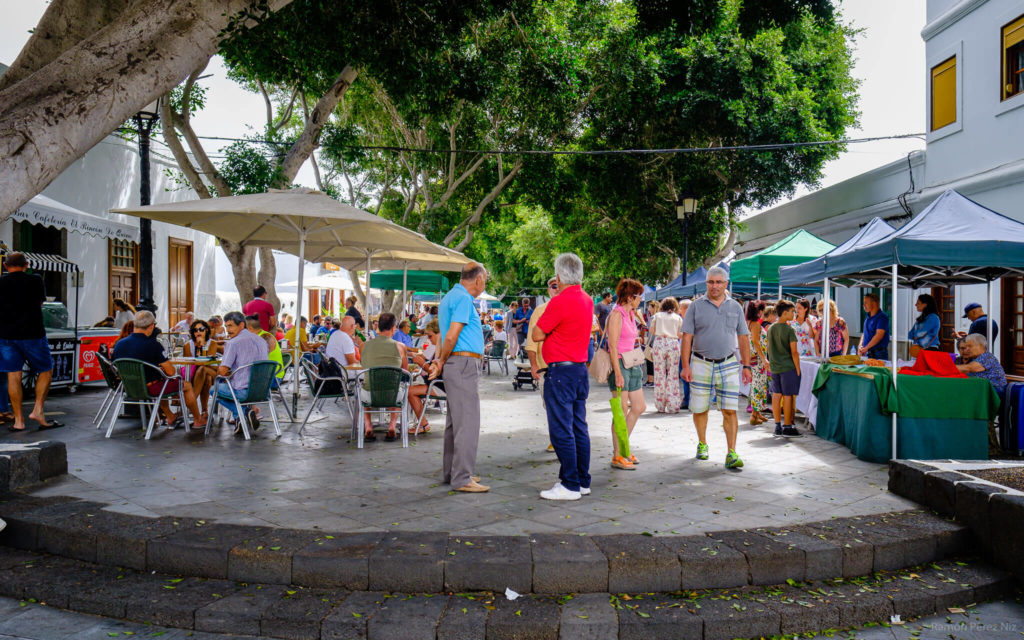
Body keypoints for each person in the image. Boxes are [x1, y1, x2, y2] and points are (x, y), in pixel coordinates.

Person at [531, 253, 594, 501]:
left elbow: (537, 334)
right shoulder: (587, 300)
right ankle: (581, 480)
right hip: (579, 369)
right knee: (579, 426)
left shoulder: (559, 302)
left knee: (561, 429)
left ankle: (569, 483)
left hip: (560, 372)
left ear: (558, 277)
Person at [680, 266, 753, 469]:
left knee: (730, 410)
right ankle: (702, 443)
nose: (714, 286)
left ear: (725, 284)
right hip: (701, 362)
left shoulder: (736, 307)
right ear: (707, 284)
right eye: (711, 282)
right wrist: (685, 365)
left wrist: (746, 365)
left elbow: (743, 337)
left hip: (729, 363)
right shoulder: (695, 306)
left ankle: (731, 452)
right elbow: (687, 337)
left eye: (719, 282)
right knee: (700, 407)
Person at [429, 262, 489, 493]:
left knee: (455, 423)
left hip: (456, 363)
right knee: (467, 422)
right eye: (485, 279)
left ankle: (452, 472)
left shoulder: (449, 298)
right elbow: (452, 335)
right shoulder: (463, 299)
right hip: (463, 363)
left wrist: (440, 360)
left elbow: (444, 336)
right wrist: (441, 360)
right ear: (478, 279)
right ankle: (462, 477)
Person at [112, 310, 206, 430]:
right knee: (185, 385)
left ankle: (170, 416)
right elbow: (171, 372)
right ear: (152, 326)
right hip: (150, 387)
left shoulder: (120, 344)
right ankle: (198, 419)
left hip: (127, 387)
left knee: (161, 379)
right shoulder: (153, 345)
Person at [0, 252, 62, 432]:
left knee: (13, 375)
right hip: (32, 333)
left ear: (5, 266)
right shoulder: (35, 280)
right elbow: (41, 304)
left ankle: (18, 421)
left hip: (5, 335)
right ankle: (37, 410)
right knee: (45, 369)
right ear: (26, 264)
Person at [605, 278, 646, 470]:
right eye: (638, 296)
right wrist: (618, 372)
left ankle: (624, 447)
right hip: (620, 363)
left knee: (639, 407)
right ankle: (618, 454)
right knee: (620, 411)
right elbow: (612, 346)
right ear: (630, 297)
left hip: (633, 362)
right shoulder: (616, 315)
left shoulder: (631, 314)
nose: (641, 300)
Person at [215, 311, 270, 433]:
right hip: (263, 390)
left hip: (243, 391)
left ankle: (242, 414)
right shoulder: (262, 341)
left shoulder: (232, 343)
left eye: (230, 326)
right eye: (226, 326)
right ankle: (241, 417)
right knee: (228, 387)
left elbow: (223, 371)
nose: (228, 330)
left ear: (241, 325)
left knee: (214, 390)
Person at [356, 311, 407, 442]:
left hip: (369, 395)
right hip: (393, 396)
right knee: (396, 385)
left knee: (366, 383)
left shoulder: (363, 346)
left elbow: (364, 366)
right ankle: (392, 426)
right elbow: (405, 370)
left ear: (378, 326)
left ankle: (368, 426)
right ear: (394, 327)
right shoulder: (400, 347)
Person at [768, 300, 802, 437]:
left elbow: (769, 349)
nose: (794, 314)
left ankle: (777, 425)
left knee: (776, 395)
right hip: (788, 367)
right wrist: (798, 369)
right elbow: (794, 352)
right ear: (785, 312)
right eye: (793, 311)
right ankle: (787, 425)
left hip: (775, 367)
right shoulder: (789, 330)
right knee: (788, 396)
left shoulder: (771, 328)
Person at [408, 320, 442, 434]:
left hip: (440, 386)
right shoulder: (438, 347)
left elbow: (434, 371)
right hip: (437, 383)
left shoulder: (441, 349)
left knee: (409, 391)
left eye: (430, 336)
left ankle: (423, 424)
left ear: (439, 334)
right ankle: (422, 422)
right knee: (410, 390)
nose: (429, 338)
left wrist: (422, 364)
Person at [652, 297, 684, 414]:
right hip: (673, 343)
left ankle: (660, 405)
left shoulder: (657, 316)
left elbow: (652, 330)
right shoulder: (678, 318)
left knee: (659, 374)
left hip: (660, 342)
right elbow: (680, 334)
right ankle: (673, 404)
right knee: (673, 374)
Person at [183, 319, 220, 416]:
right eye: (195, 330)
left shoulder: (212, 343)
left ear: (206, 330)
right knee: (205, 376)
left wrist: (202, 346)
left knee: (204, 370)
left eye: (201, 329)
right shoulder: (188, 345)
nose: (198, 332)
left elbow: (208, 362)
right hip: (195, 373)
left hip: (212, 371)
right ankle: (204, 411)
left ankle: (191, 403)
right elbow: (188, 363)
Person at [745, 300, 769, 425]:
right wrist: (764, 359)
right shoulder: (755, 324)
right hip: (758, 359)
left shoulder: (749, 323)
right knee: (758, 386)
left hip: (754, 358)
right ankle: (754, 415)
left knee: (758, 385)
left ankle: (757, 412)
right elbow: (755, 341)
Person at [247, 314, 285, 386]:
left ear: (250, 329)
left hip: (273, 378)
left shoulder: (265, 337)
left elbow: (258, 360)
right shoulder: (259, 336)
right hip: (265, 376)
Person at [325, 316, 360, 383]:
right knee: (370, 372)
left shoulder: (335, 334)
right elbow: (352, 363)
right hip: (342, 372)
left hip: (332, 370)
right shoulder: (346, 338)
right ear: (352, 326)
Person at [857, 293, 890, 360]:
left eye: (866, 303)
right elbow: (864, 333)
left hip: (878, 354)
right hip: (867, 353)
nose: (863, 305)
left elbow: (879, 335)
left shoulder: (882, 317)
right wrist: (860, 346)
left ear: (874, 303)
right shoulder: (868, 316)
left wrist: (866, 348)